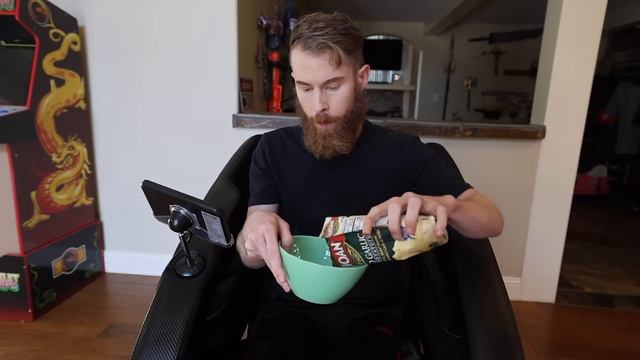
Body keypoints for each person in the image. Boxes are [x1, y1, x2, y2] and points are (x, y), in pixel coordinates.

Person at [236, 12, 504, 359]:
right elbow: (248, 254)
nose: (319, 106)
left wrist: (447, 206)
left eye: (333, 86)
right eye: (305, 88)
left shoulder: (404, 152)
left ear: (361, 78)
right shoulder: (272, 150)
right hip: (287, 311)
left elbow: (492, 220)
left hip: (373, 320)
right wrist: (253, 234)